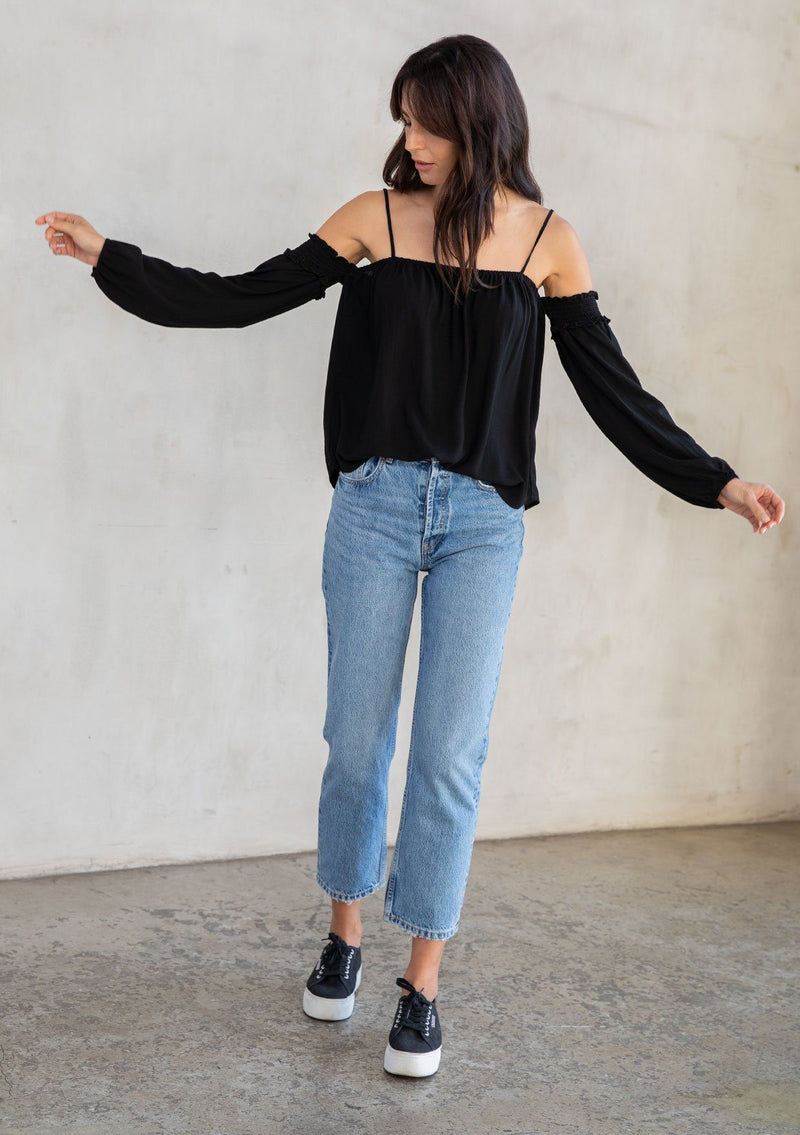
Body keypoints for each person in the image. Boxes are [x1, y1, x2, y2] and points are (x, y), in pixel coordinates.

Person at [35, 33, 784, 1080]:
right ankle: (343, 936)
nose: (411, 143)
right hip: (376, 507)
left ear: (478, 125)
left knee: (445, 757)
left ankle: (420, 983)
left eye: (427, 124)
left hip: (482, 519)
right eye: (403, 122)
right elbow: (238, 294)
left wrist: (717, 479)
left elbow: (613, 389)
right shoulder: (374, 221)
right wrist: (110, 257)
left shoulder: (546, 243)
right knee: (355, 738)